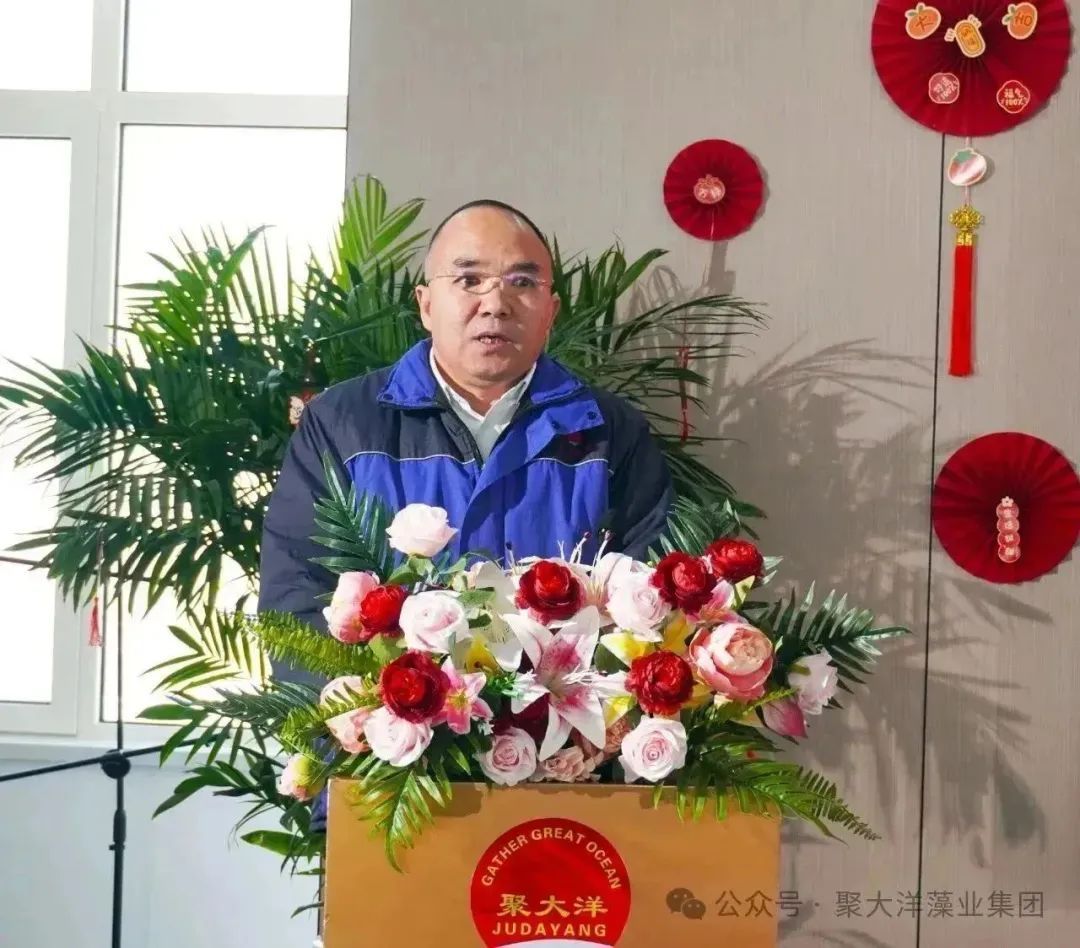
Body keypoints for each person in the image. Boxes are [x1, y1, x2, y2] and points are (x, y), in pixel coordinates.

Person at [258, 199, 674, 655]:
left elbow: (655, 599)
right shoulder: (343, 424)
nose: (495, 304)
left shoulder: (610, 432)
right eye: (469, 280)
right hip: (390, 700)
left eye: (522, 282)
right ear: (426, 305)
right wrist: (366, 698)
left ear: (551, 312)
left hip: (566, 697)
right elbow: (296, 600)